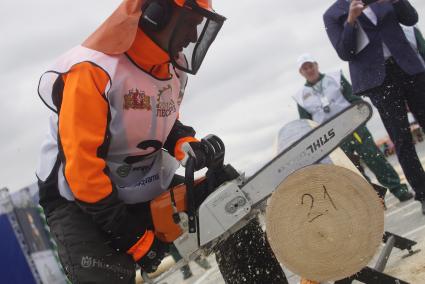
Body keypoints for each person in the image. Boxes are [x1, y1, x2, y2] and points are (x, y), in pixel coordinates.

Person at [36, 0, 288, 283]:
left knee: (227, 196)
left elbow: (160, 122)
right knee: (106, 276)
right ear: (158, 13)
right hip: (82, 201)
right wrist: (135, 239)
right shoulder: (93, 71)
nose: (193, 36)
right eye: (190, 24)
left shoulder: (171, 69)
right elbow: (82, 170)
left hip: (142, 180)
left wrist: (186, 144)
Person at [323, 0, 425, 214]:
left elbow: (411, 18)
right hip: (379, 82)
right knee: (402, 139)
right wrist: (350, 20)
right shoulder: (333, 15)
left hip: (408, 67)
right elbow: (345, 52)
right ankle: (423, 193)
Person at [294, 53, 412, 202]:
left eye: (310, 66)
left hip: (353, 126)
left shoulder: (335, 77)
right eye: (305, 68)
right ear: (301, 72)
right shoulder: (300, 96)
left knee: (375, 159)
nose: (309, 70)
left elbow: (353, 98)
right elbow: (306, 123)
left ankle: (399, 190)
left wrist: (360, 117)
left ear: (316, 65)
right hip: (331, 137)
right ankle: (374, 199)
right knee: (351, 170)